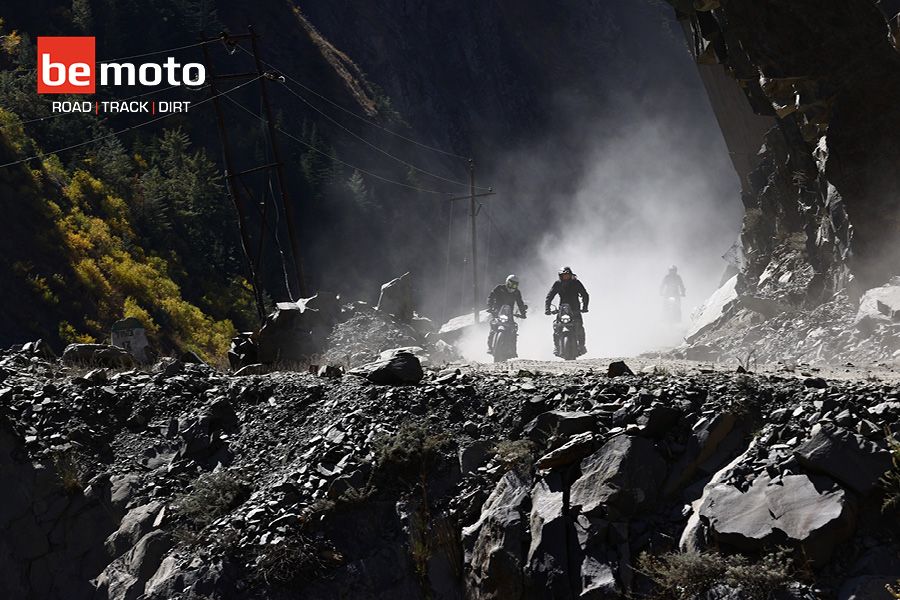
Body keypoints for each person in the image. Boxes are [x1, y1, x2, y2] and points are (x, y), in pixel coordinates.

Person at [544, 266, 589, 355]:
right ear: (560, 276)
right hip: (563, 309)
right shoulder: (558, 284)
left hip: (575, 309)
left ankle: (582, 346)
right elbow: (550, 296)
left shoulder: (576, 283)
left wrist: (585, 307)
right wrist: (547, 309)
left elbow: (585, 294)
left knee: (580, 327)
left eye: (567, 275)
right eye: (563, 276)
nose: (566, 277)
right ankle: (557, 347)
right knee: (557, 327)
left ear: (571, 275)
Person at [486, 274, 527, 353]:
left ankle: (512, 350)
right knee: (493, 328)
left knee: (513, 330)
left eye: (515, 285)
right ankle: (490, 347)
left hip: (509, 314)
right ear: (507, 282)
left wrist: (523, 313)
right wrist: (490, 307)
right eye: (510, 284)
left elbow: (520, 303)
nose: (512, 287)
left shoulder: (517, 292)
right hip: (497, 312)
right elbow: (490, 297)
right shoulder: (499, 288)